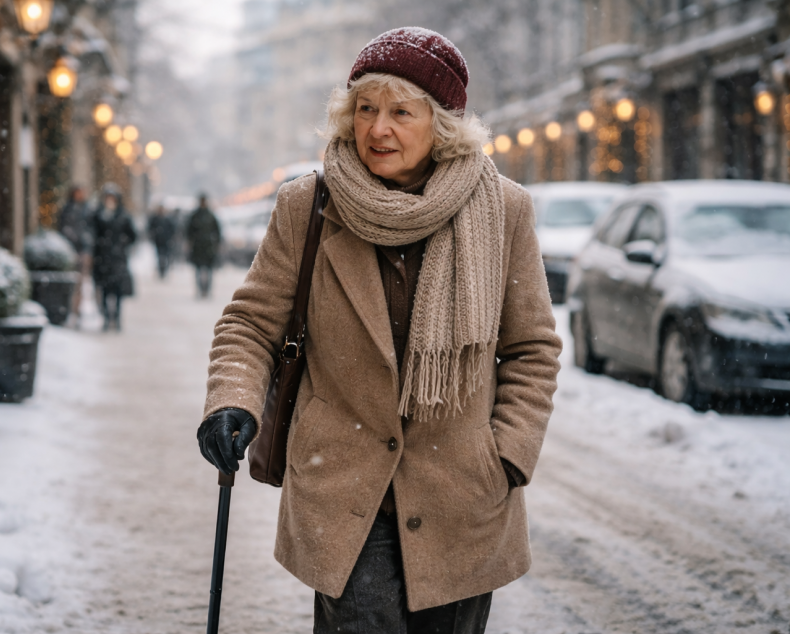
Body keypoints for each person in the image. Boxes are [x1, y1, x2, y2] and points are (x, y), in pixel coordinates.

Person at [196, 28, 562, 633]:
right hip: (343, 494)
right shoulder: (308, 205)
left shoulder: (504, 211)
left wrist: (506, 457)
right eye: (365, 110)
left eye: (399, 112)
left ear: (441, 125)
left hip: (461, 498)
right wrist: (231, 400)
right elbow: (250, 323)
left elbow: (531, 349)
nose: (377, 129)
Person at [91, 183, 137, 332]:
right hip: (102, 259)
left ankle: (116, 317)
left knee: (117, 291)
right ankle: (105, 317)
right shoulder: (98, 215)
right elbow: (91, 232)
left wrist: (122, 243)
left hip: (117, 259)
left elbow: (133, 235)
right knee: (104, 290)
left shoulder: (123, 216)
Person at [57, 186, 92, 327]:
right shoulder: (68, 210)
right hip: (70, 250)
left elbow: (89, 229)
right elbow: (63, 227)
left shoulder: (86, 210)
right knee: (72, 283)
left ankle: (77, 311)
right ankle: (70, 309)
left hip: (82, 251)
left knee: (80, 283)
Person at [185, 194, 221, 298]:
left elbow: (217, 230)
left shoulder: (209, 215)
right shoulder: (196, 215)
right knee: (198, 270)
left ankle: (206, 290)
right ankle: (200, 290)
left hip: (207, 246)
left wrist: (217, 243)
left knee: (208, 270)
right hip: (199, 247)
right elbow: (189, 231)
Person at [146, 202, 177, 279]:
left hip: (166, 241)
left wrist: (171, 237)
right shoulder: (155, 219)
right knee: (160, 256)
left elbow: (172, 229)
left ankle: (163, 270)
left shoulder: (167, 219)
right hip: (158, 241)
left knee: (165, 256)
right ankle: (161, 270)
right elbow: (150, 228)